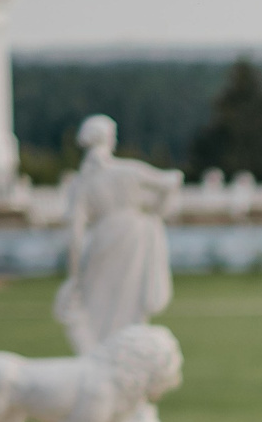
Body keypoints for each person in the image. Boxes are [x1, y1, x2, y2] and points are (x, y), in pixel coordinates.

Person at [54, 115, 181, 356]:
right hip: (135, 235)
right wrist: (156, 211)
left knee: (98, 307)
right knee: (131, 307)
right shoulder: (127, 170)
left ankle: (104, 358)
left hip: (103, 239)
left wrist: (74, 276)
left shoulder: (81, 183)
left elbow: (75, 236)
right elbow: (171, 181)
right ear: (110, 140)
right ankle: (125, 358)